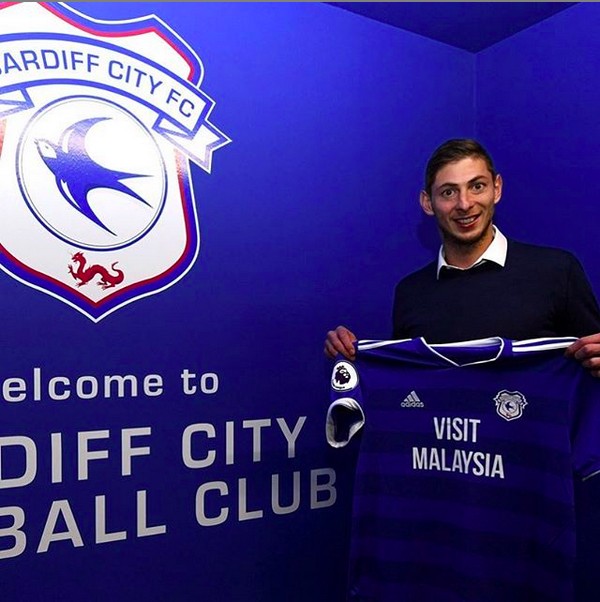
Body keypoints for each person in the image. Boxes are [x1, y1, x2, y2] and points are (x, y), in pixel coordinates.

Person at [324, 138, 600, 376]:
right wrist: (350, 355)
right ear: (427, 203)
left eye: (477, 186)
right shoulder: (411, 292)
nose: (464, 204)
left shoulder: (557, 272)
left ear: (497, 188)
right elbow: (406, 387)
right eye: (448, 192)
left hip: (536, 439)